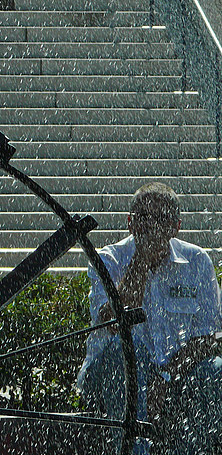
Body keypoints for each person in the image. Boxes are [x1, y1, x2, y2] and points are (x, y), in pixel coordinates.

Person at [78, 181, 221, 453]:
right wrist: (141, 260)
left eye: (161, 218)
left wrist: (167, 375)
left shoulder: (197, 261)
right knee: (128, 354)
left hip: (175, 372)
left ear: (176, 226)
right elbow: (112, 322)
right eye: (144, 218)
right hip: (112, 371)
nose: (152, 226)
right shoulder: (109, 259)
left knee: (216, 371)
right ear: (130, 223)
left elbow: (210, 336)